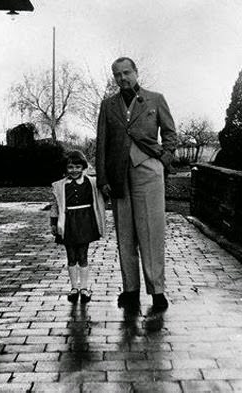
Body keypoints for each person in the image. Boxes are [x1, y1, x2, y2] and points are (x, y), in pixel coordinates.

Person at [95, 57, 177, 311]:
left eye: (127, 73)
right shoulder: (108, 105)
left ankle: (157, 291)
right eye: (117, 75)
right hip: (119, 175)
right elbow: (102, 144)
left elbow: (171, 133)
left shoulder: (155, 99)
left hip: (148, 172)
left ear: (136, 72)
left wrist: (163, 160)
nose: (123, 78)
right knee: (125, 234)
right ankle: (130, 289)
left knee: (152, 232)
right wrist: (103, 177)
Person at [50, 150, 106, 303]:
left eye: (77, 167)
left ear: (83, 167)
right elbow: (55, 205)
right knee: (71, 255)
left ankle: (84, 288)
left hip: (85, 222)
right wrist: (53, 223)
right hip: (68, 222)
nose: (74, 170)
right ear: (65, 169)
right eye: (70, 167)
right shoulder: (60, 186)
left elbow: (103, 195)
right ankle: (74, 287)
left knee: (83, 254)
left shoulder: (91, 183)